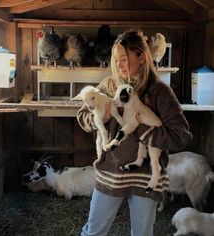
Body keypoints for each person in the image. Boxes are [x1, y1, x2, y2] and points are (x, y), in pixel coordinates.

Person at [77, 30, 193, 236]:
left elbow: (181, 135)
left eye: (124, 59)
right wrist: (98, 120)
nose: (119, 65)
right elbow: (82, 116)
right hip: (110, 173)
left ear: (142, 57)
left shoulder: (159, 92)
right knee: (93, 232)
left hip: (145, 176)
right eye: (116, 60)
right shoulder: (109, 85)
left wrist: (143, 130)